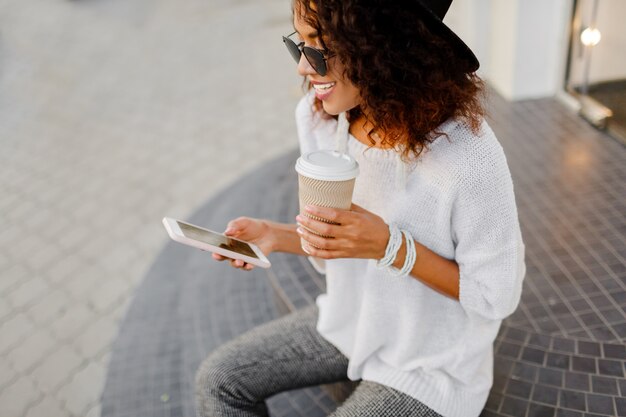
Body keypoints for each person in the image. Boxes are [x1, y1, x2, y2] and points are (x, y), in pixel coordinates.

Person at [195, 0, 525, 416]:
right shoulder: (320, 120)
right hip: (351, 322)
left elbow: (494, 296)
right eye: (299, 44)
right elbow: (343, 237)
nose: (301, 67)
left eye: (319, 47)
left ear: (382, 47)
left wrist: (391, 247)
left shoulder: (468, 159)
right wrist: (274, 236)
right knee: (220, 379)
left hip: (430, 363)